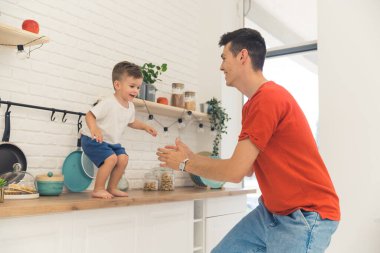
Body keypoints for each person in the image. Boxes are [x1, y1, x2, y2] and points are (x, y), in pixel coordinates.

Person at [157, 28, 340, 253]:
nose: (221, 66)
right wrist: (192, 158)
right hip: (271, 213)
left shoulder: (269, 99)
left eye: (224, 58)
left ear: (242, 56)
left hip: (304, 215)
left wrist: (186, 163)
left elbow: (235, 171)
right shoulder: (251, 106)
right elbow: (246, 169)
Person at [81, 61, 157, 199]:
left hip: (111, 142)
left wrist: (145, 127)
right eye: (132, 86)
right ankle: (98, 189)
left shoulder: (130, 106)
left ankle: (112, 187)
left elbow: (132, 122)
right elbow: (90, 115)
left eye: (138, 87)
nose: (136, 91)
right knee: (111, 159)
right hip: (92, 139)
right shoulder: (108, 102)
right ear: (117, 85)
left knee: (123, 158)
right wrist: (94, 129)